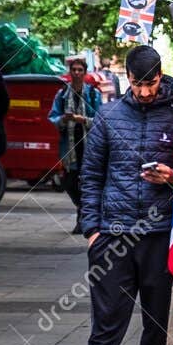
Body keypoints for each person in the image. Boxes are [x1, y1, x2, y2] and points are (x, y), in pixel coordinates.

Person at [51, 44, 173, 345]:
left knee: (157, 319)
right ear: (127, 78)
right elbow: (90, 177)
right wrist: (92, 231)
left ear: (161, 77)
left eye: (152, 83)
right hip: (113, 235)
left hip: (159, 234)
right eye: (139, 83)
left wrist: (171, 177)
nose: (145, 91)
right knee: (107, 321)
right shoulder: (107, 116)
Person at [48, 57, 102, 230]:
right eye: (74, 70)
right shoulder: (62, 95)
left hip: (89, 146)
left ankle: (83, 217)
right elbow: (53, 117)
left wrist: (83, 120)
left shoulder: (94, 94)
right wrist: (63, 119)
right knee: (69, 183)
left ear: (85, 73)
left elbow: (101, 120)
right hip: (69, 147)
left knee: (87, 184)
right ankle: (82, 209)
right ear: (70, 73)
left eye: (80, 70)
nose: (77, 73)